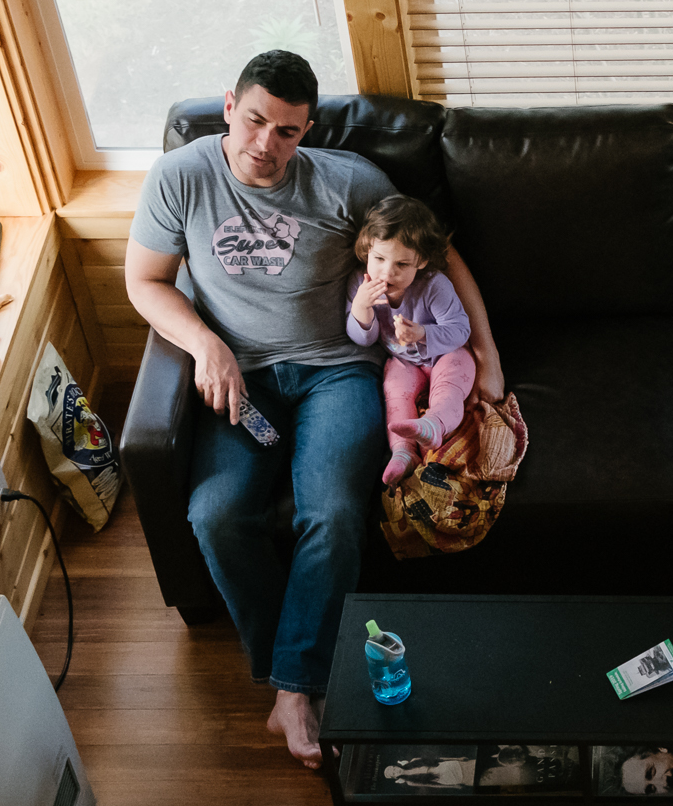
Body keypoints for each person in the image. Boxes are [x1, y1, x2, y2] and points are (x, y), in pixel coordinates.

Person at [125, 51, 504, 768]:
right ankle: (293, 675)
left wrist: (483, 352)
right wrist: (204, 343)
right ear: (230, 104)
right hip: (244, 378)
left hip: (338, 372)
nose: (266, 145)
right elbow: (144, 281)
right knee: (215, 514)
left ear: (308, 130)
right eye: (257, 120)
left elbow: (438, 255)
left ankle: (292, 686)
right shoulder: (181, 177)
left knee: (329, 512)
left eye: (288, 132)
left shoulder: (347, 180)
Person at [345, 196, 478, 485]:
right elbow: (363, 340)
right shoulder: (361, 283)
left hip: (447, 353)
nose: (387, 272)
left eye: (402, 264)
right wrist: (361, 309)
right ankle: (403, 453)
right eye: (379, 258)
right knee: (394, 391)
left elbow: (460, 329)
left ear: (421, 261)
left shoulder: (433, 284)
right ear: (367, 250)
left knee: (450, 384)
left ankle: (435, 423)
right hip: (403, 360)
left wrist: (422, 334)